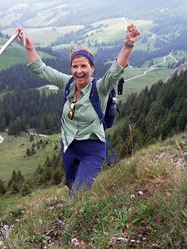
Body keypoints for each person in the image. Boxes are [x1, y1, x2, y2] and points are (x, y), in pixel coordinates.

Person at [16, 24, 140, 195]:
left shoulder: (100, 88)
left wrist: (128, 44)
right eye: (75, 66)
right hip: (69, 146)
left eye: (83, 66)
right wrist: (29, 46)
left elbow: (115, 70)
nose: (79, 71)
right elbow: (41, 69)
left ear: (92, 68)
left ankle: (77, 214)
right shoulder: (68, 83)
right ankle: (79, 208)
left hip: (92, 148)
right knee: (71, 183)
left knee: (78, 193)